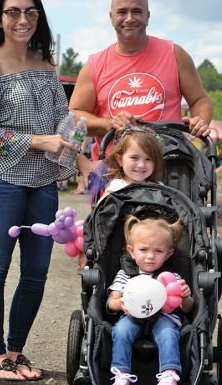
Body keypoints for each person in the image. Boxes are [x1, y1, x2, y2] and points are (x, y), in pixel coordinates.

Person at [0, 0, 77, 381]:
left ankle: (16, 352)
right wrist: (37, 141)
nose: (22, 20)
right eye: (12, 12)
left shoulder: (46, 64)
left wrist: (81, 152)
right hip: (0, 180)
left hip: (42, 181)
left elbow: (63, 120)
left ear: (39, 17)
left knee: (37, 271)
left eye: (30, 12)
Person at [69, 0, 212, 161]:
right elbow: (74, 115)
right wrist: (110, 123)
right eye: (122, 12)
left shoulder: (174, 54)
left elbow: (200, 100)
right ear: (111, 17)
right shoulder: (94, 65)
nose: (129, 18)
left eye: (136, 11)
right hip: (114, 171)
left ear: (148, 16)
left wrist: (200, 120)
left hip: (169, 167)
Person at [108, 215, 194, 385]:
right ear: (131, 251)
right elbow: (111, 302)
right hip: (132, 316)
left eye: (158, 251)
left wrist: (186, 296)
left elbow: (188, 309)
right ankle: (121, 373)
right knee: (121, 331)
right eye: (143, 250)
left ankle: (169, 373)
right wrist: (119, 303)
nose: (150, 256)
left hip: (164, 318)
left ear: (168, 254)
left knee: (168, 333)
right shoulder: (125, 275)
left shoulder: (171, 277)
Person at [77, 124, 165, 267]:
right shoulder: (116, 188)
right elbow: (99, 222)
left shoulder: (160, 188)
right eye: (134, 158)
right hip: (119, 256)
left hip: (155, 255)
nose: (141, 165)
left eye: (148, 159)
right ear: (119, 159)